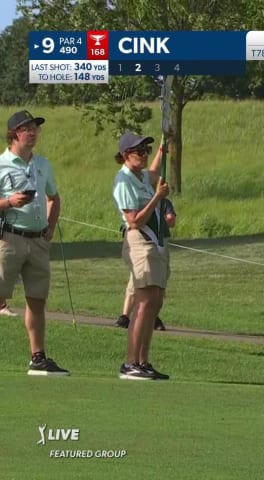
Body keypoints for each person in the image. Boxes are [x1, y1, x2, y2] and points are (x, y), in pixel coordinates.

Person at [0, 110, 68, 376]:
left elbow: (54, 197)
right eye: (28, 128)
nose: (33, 132)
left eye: (35, 128)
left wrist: (50, 228)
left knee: (37, 300)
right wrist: (8, 203)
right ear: (15, 133)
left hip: (37, 241)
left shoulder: (43, 164)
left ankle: (37, 357)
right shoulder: (2, 164)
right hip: (10, 238)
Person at [112, 131, 171, 381]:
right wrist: (158, 198)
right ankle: (130, 362)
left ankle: (143, 361)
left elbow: (154, 171)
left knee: (155, 301)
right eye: (139, 151)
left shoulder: (142, 177)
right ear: (126, 155)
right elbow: (134, 221)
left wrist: (162, 148)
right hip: (139, 241)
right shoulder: (124, 181)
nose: (144, 155)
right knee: (144, 302)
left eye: (146, 151)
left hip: (154, 242)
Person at [115, 196, 175, 331]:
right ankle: (126, 316)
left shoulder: (164, 202)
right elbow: (133, 219)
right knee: (138, 278)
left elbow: (171, 220)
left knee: (159, 279)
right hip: (143, 243)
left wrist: (162, 220)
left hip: (160, 244)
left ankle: (152, 315)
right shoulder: (139, 201)